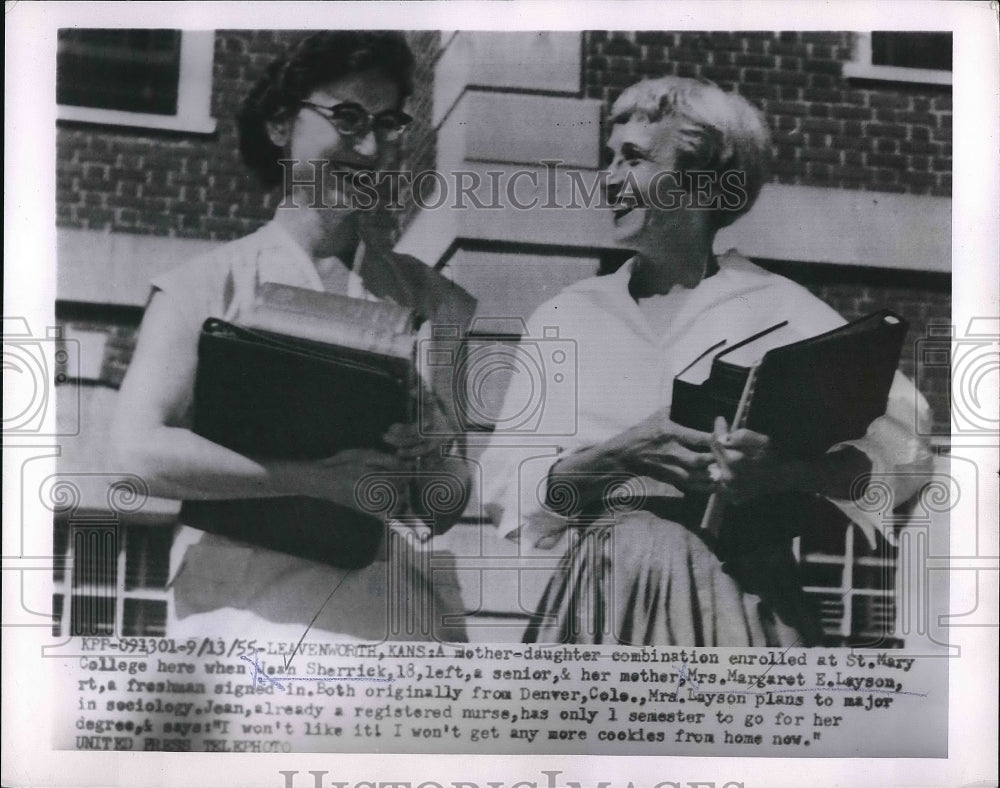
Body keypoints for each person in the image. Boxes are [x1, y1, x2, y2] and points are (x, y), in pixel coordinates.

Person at [480, 76, 933, 647]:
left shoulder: (785, 309)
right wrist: (621, 452)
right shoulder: (565, 316)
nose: (610, 178)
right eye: (609, 158)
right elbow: (509, 494)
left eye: (635, 159)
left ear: (702, 180)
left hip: (737, 599)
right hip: (606, 592)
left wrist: (783, 472)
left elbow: (906, 454)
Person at [112, 31, 475, 643]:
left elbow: (442, 507)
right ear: (282, 125)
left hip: (391, 624)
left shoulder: (431, 302)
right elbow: (135, 454)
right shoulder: (204, 286)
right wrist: (311, 478)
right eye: (347, 117)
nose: (368, 145)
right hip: (247, 622)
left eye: (387, 123)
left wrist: (434, 445)